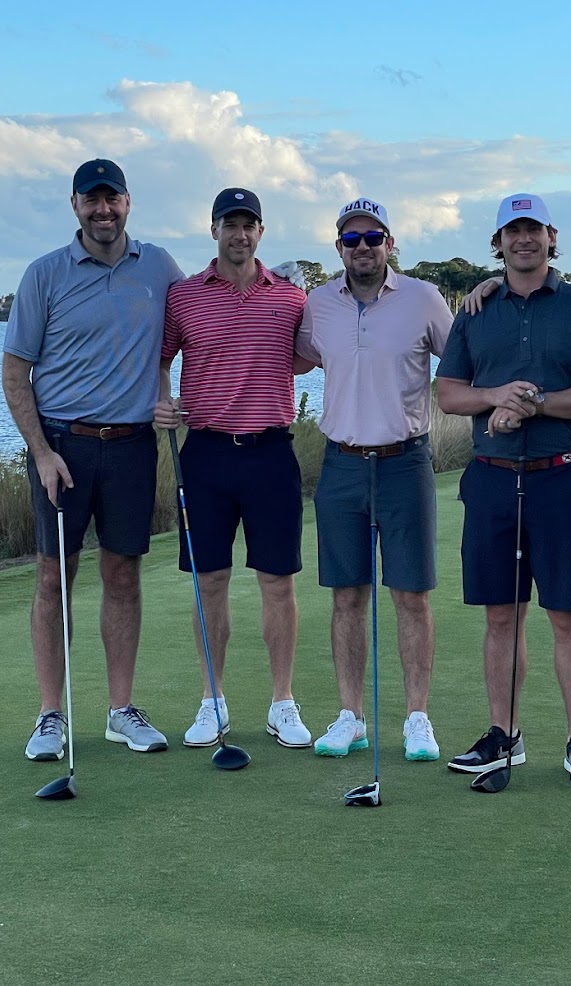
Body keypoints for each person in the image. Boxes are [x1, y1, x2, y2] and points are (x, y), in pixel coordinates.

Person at [437, 193, 571, 786]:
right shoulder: (475, 310)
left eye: (533, 230)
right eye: (512, 231)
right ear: (498, 243)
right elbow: (449, 394)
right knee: (500, 616)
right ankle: (504, 735)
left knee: (568, 614)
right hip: (491, 478)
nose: (523, 240)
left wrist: (535, 403)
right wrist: (497, 397)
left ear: (551, 236)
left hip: (562, 477)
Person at [4, 158, 184, 761]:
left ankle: (119, 710)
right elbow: (15, 373)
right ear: (75, 205)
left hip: (132, 446)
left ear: (128, 202)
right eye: (92, 201)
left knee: (123, 576)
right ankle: (51, 715)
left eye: (113, 200)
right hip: (64, 446)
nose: (103, 210)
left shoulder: (158, 266)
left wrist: (174, 395)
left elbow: (202, 324)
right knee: (54, 577)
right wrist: (42, 452)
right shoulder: (45, 274)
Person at [294, 197, 454, 761]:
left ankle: (417, 718)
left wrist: (482, 297)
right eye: (351, 239)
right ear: (339, 247)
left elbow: (460, 360)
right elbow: (293, 359)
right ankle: (350, 716)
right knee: (346, 596)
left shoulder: (424, 299)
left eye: (373, 237)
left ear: (391, 243)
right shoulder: (317, 304)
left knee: (412, 595)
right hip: (340, 463)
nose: (363, 247)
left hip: (404, 461)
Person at [153, 187, 312, 750]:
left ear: (261, 233)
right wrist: (162, 399)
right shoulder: (184, 298)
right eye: (229, 224)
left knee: (277, 582)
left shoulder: (291, 299)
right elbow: (159, 359)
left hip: (271, 452)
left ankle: (282, 703)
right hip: (206, 454)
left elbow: (320, 348)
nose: (239, 235)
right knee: (210, 582)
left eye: (249, 225)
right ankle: (212, 700)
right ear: (213, 228)